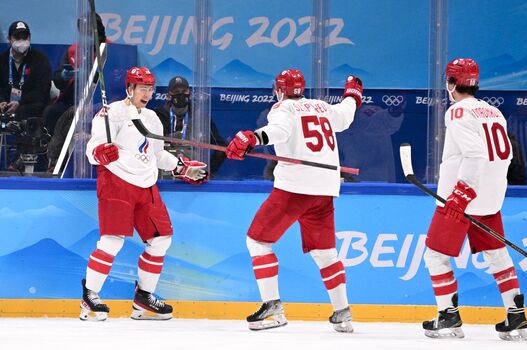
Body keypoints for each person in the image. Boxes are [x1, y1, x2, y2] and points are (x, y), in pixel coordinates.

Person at [225, 69, 363, 332]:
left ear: (280, 90)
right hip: (325, 189)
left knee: (257, 241)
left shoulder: (282, 109)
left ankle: (273, 307)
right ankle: (342, 312)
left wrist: (253, 138)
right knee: (325, 253)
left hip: (295, 188)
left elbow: (278, 131)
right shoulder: (322, 106)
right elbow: (346, 115)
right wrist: (353, 94)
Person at [80, 67, 209, 321]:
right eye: (142, 88)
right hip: (116, 182)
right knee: (112, 241)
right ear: (130, 89)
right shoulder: (111, 113)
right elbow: (92, 147)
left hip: (146, 185)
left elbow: (157, 155)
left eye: (151, 88)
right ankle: (89, 297)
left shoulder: (152, 118)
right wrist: (100, 153)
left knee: (161, 240)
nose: (147, 93)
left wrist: (182, 168)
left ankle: (143, 299)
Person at [421, 58, 527, 341]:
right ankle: (516, 315)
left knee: (435, 254)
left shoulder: (457, 112)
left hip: (460, 200)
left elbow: (476, 154)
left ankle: (448, 316)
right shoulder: (494, 112)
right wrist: (491, 191)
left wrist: (461, 193)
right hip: (490, 199)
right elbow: (504, 155)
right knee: (497, 254)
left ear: (452, 83)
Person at [43, 14, 107, 135]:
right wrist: (63, 76)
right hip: (73, 97)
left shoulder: (109, 49)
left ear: (97, 30)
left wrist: (90, 75)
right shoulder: (73, 49)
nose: (85, 35)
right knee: (50, 111)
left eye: (88, 31)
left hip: (97, 99)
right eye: (82, 31)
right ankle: (49, 150)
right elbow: (57, 78)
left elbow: (112, 79)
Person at [0, 21, 52, 171]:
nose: (22, 40)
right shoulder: (2, 60)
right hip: (5, 106)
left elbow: (42, 90)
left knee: (28, 112)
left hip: (30, 106)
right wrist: (1, 101)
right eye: (17, 37)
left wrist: (20, 102)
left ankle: (20, 160)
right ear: (10, 39)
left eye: (25, 36)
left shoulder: (40, 60)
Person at [154, 76, 226, 176]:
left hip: (193, 175)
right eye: (176, 91)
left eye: (184, 91)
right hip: (163, 175)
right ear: (168, 96)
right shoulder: (157, 116)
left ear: (190, 94)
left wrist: (209, 171)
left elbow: (221, 149)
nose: (180, 94)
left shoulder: (201, 118)